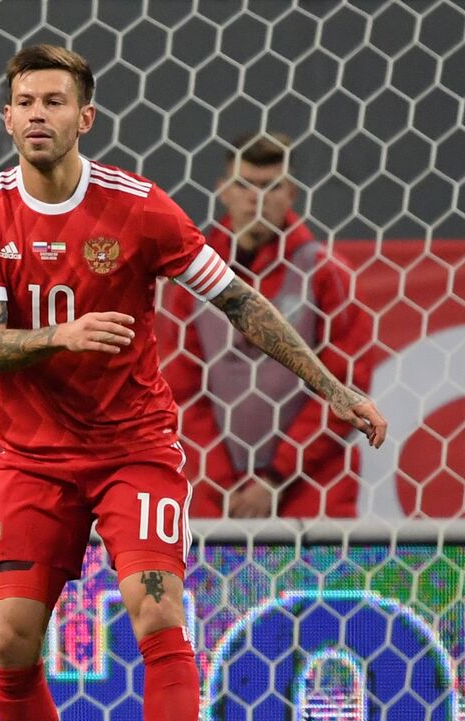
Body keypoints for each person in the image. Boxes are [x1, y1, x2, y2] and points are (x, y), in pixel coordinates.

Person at [0, 46, 386, 721]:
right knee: (9, 640)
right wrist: (64, 335)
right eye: (24, 101)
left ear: (85, 116)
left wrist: (330, 387)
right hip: (33, 458)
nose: (37, 114)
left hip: (134, 450)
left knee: (156, 613)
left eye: (54, 100)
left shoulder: (139, 208)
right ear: (6, 117)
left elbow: (238, 299)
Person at [160, 132, 374, 518]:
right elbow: (182, 390)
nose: (256, 198)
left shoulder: (327, 274)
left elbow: (345, 386)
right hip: (217, 494)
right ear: (223, 190)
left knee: (322, 569)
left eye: (271, 186)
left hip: (313, 492)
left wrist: (276, 478)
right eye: (244, 184)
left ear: (291, 193)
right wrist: (223, 482)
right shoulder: (191, 278)